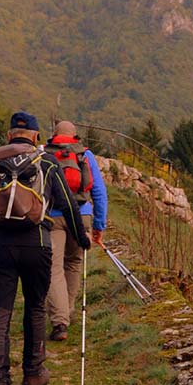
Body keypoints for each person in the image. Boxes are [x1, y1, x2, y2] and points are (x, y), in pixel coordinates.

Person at [0, 112, 90, 385]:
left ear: (9, 135)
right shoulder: (46, 163)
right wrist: (81, 239)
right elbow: (69, 204)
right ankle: (33, 374)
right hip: (38, 244)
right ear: (34, 136)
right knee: (34, 307)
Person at [44, 121, 108, 341]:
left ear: (54, 135)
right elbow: (99, 191)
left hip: (52, 215)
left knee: (53, 268)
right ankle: (67, 311)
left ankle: (59, 321)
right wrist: (99, 225)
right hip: (81, 214)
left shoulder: (45, 153)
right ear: (75, 136)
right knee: (73, 263)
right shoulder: (85, 155)